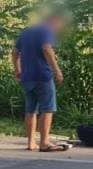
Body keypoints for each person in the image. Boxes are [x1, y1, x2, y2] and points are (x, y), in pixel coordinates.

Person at [12, 11, 65, 152]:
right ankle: (44, 142)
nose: (59, 28)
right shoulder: (47, 31)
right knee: (47, 109)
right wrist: (57, 70)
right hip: (43, 76)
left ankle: (31, 143)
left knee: (30, 111)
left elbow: (15, 52)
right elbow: (47, 48)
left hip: (27, 77)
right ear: (53, 20)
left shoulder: (26, 32)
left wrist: (18, 70)